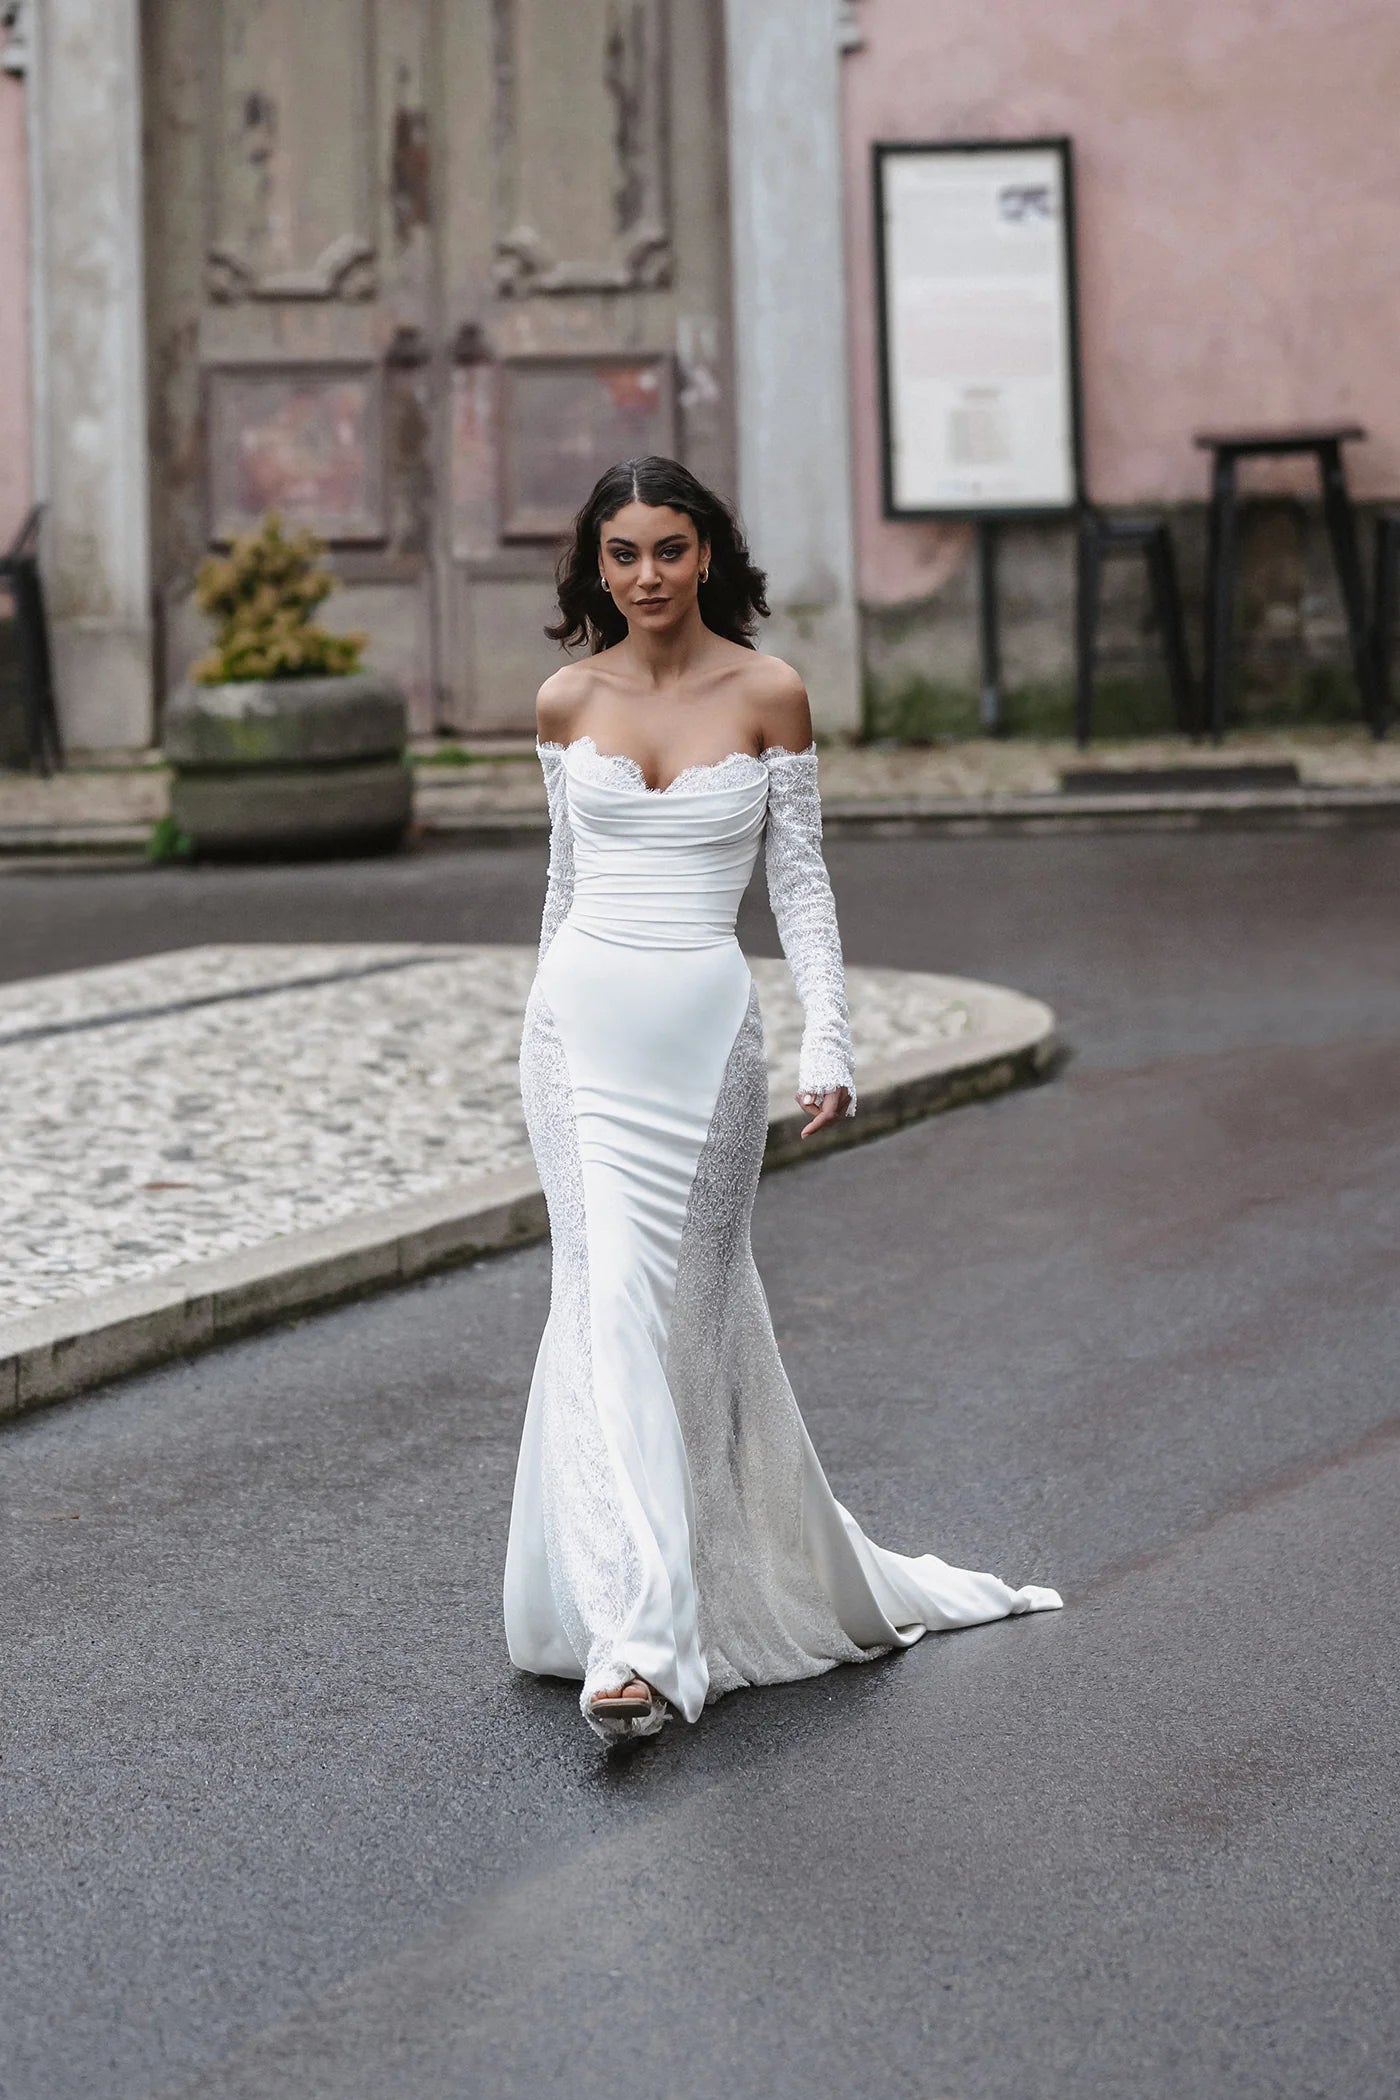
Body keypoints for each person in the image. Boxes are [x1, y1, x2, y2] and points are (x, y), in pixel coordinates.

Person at [505, 455, 1061, 1742]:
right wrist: (532, 1030)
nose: (647, 576)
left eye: (670, 550)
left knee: (689, 1328)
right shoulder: (560, 700)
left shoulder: (769, 694)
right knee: (597, 1317)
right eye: (623, 554)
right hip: (576, 1039)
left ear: (708, 556)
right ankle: (634, 1643)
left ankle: (707, 1579)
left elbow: (798, 887)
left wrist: (831, 1044)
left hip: (704, 1050)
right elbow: (561, 887)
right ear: (595, 565)